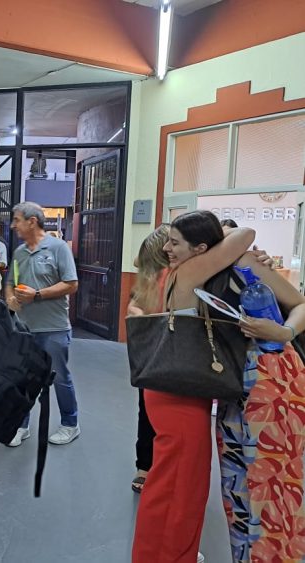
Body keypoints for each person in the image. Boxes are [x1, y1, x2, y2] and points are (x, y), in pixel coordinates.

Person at [131, 211, 255, 563]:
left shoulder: (165, 277)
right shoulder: (187, 272)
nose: (167, 249)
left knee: (170, 480)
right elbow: (246, 234)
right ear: (202, 249)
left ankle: (158, 553)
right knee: (183, 485)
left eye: (174, 242)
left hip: (170, 391)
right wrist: (223, 237)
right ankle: (171, 554)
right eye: (169, 241)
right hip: (181, 398)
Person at [215, 254, 305, 561]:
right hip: (231, 391)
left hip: (273, 380)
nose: (169, 247)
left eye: (175, 241)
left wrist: (285, 332)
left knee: (278, 483)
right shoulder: (197, 270)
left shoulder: (244, 261)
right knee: (238, 491)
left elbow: (300, 304)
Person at [4, 202, 80, 447]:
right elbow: (9, 283)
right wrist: (10, 299)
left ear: (32, 221)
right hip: (24, 329)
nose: (13, 225)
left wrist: (37, 295)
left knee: (59, 378)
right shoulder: (19, 253)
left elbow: (71, 283)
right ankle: (21, 425)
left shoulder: (58, 248)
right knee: (23, 378)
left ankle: (70, 424)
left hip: (54, 328)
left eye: (17, 220)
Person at [126, 224, 170, 493]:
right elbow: (137, 262)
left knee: (160, 415)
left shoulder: (185, 274)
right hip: (151, 353)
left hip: (172, 352)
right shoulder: (151, 277)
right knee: (147, 410)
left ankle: (154, 467)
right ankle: (144, 465)